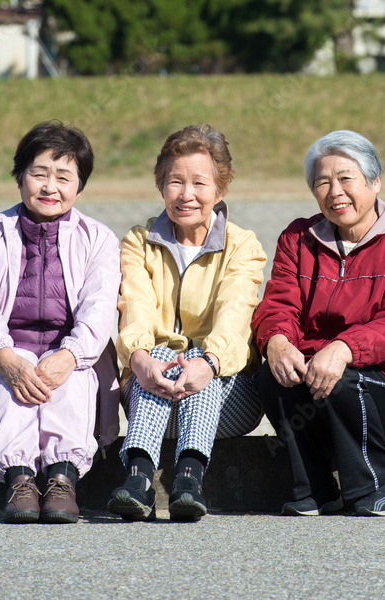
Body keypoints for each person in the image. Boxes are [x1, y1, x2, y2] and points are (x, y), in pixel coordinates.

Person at [253, 129, 385, 517]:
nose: (334, 191)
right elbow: (279, 304)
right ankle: (316, 489)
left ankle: (377, 484)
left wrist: (344, 348)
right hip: (314, 375)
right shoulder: (297, 238)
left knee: (341, 380)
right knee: (273, 374)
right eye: (322, 182)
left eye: (345, 178)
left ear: (374, 181)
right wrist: (277, 341)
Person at [0, 120, 121, 523]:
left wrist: (70, 355)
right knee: (9, 383)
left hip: (73, 353)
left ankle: (63, 480)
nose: (50, 187)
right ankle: (20, 480)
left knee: (72, 381)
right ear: (20, 177)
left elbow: (99, 309)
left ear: (79, 185)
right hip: (8, 350)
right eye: (39, 173)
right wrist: (5, 357)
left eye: (63, 177)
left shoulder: (98, 238)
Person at [108, 124, 266, 522]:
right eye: (175, 181)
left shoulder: (242, 245)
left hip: (229, 396)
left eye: (199, 182)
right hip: (150, 388)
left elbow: (235, 314)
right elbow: (136, 308)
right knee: (161, 353)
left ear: (220, 189)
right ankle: (139, 480)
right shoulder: (139, 241)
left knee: (198, 359)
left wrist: (208, 362)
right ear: (161, 186)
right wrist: (141, 361)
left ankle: (189, 477)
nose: (186, 194)